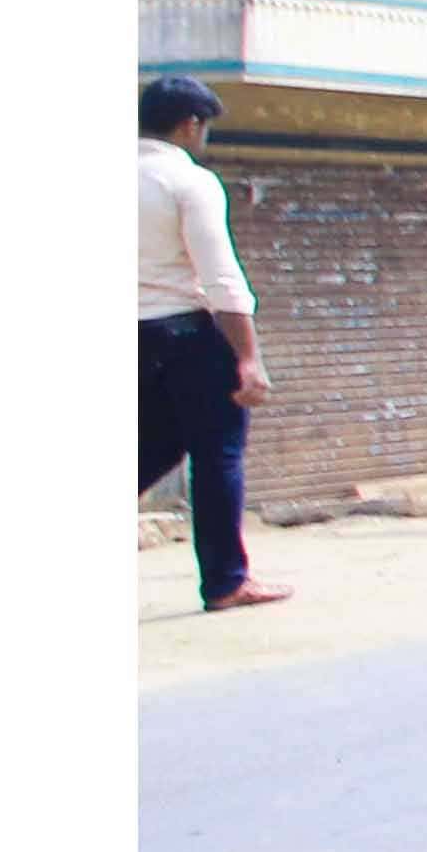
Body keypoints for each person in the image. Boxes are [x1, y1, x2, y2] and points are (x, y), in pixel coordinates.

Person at [139, 76, 291, 612]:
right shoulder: (189, 181)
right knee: (217, 453)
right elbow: (220, 277)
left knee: (146, 449)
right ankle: (227, 580)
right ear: (189, 125)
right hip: (188, 338)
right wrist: (248, 357)